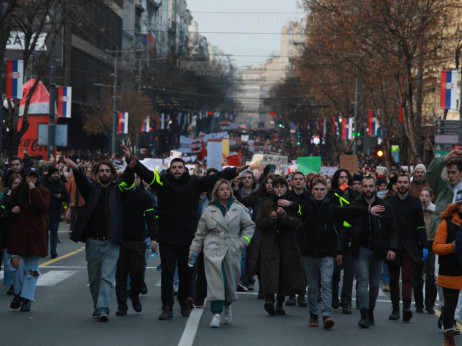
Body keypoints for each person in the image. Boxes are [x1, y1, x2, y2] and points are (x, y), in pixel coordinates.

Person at [121, 145, 248, 320]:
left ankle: (183, 300)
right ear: (170, 170)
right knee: (167, 272)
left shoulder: (195, 182)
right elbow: (146, 173)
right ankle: (166, 307)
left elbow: (214, 179)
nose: (177, 170)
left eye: (180, 167)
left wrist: (233, 171)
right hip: (166, 236)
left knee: (186, 273)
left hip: (188, 236)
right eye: (174, 167)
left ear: (185, 169)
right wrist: (130, 159)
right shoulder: (161, 181)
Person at [289, 176, 384, 329]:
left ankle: (326, 315)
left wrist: (367, 210)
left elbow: (349, 212)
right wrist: (289, 204)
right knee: (313, 287)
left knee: (326, 284)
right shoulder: (306, 207)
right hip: (309, 253)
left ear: (327, 192)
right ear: (312, 191)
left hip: (327, 253)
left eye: (322, 190)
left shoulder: (331, 208)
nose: (319, 192)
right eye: (316, 190)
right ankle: (313, 315)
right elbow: (296, 208)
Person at [64, 155, 135, 322]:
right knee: (94, 278)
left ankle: (103, 309)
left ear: (112, 173)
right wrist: (76, 169)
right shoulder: (92, 190)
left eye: (107, 171)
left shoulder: (119, 191)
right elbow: (82, 183)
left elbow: (130, 183)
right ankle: (98, 306)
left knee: (107, 277)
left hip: (111, 242)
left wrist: (131, 169)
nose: (104, 173)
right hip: (93, 242)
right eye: (101, 171)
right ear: (97, 174)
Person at [189, 179, 255, 328]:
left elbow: (249, 227)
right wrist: (194, 251)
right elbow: (200, 233)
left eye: (227, 189)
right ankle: (216, 314)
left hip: (232, 247)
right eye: (222, 189)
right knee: (216, 282)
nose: (225, 191)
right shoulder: (209, 209)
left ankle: (228, 305)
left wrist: (242, 243)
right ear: (216, 192)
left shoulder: (239, 208)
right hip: (213, 248)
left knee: (230, 281)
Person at [338, 176, 398, 328]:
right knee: (363, 280)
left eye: (371, 186)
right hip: (361, 249)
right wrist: (340, 250)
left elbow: (392, 229)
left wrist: (392, 248)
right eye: (365, 186)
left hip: (378, 250)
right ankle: (364, 314)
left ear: (376, 187)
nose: (368, 189)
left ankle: (370, 311)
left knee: (374, 284)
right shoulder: (355, 205)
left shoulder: (386, 206)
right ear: (362, 188)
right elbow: (345, 228)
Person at [256, 177, 305, 316]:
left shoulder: (293, 204)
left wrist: (284, 216)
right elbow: (259, 223)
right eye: (276, 187)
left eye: (281, 187)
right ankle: (269, 299)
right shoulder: (266, 204)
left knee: (285, 272)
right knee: (270, 272)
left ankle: (280, 302)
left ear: (286, 188)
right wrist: (270, 219)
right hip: (270, 243)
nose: (279, 190)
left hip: (287, 243)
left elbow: (298, 222)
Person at [426, 148, 462, 328]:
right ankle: (445, 308)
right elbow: (430, 172)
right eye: (448, 172)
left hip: (459, 238)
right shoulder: (442, 185)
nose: (450, 175)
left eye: (454, 172)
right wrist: (446, 158)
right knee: (439, 277)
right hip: (441, 235)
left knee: (457, 279)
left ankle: (452, 317)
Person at [385, 174, 428, 322]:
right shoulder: (389, 202)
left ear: (408, 185)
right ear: (395, 185)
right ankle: (395, 307)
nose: (402, 185)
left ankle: (406, 307)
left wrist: (424, 245)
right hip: (393, 245)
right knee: (393, 278)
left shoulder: (415, 202)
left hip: (410, 244)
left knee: (407, 276)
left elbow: (421, 225)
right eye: (400, 182)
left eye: (405, 182)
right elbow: (385, 225)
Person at [7, 167, 50, 312]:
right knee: (16, 264)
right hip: (19, 234)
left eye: (34, 177)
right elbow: (8, 208)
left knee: (31, 269)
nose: (31, 179)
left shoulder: (42, 191)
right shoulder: (17, 191)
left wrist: (34, 191)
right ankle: (19, 292)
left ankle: (27, 298)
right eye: (28, 176)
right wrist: (11, 211)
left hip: (35, 235)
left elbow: (43, 207)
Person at [115, 174, 157, 316]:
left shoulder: (145, 197)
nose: (132, 181)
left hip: (139, 239)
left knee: (137, 273)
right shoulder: (118, 194)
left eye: (134, 178)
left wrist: (153, 238)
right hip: (120, 240)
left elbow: (150, 217)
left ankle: (134, 294)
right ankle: (122, 305)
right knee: (120, 275)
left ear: (139, 180)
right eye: (128, 178)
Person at [433, 191, 462, 346]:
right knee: (450, 308)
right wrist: (451, 247)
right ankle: (448, 338)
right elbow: (436, 246)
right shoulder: (447, 222)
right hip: (450, 271)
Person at [329, 169, 359, 314]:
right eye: (341, 177)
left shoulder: (355, 195)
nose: (343, 180)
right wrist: (341, 190)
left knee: (349, 271)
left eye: (346, 177)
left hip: (350, 237)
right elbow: (332, 204)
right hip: (335, 236)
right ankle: (334, 294)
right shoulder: (332, 194)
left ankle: (346, 300)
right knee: (335, 271)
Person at [285, 171, 310, 307]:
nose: (299, 181)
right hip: (290, 233)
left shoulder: (309, 197)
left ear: (305, 182)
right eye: (296, 179)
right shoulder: (287, 197)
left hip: (305, 234)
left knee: (303, 267)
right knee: (291, 266)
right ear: (292, 182)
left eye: (301, 179)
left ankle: (301, 294)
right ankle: (291, 294)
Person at [412, 187, 437, 314]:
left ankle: (430, 303)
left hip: (431, 242)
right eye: (422, 195)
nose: (424, 198)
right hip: (418, 243)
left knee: (430, 274)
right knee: (417, 274)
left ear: (431, 197)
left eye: (427, 196)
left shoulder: (435, 210)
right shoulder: (417, 209)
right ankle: (418, 304)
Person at [234, 170, 257, 292]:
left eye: (249, 177)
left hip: (255, 227)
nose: (247, 179)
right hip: (241, 228)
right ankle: (242, 281)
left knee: (253, 255)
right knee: (242, 255)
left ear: (253, 180)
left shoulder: (258, 193)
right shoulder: (238, 193)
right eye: (245, 178)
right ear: (242, 180)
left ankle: (250, 280)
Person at [42, 166, 70, 258]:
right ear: (49, 174)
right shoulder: (43, 183)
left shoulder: (60, 184)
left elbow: (67, 197)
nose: (56, 175)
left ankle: (53, 251)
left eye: (57, 173)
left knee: (54, 231)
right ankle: (44, 249)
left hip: (56, 211)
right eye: (54, 173)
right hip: (45, 211)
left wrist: (60, 197)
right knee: (45, 231)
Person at [1, 174, 22, 296]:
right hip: (8, 231)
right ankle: (12, 285)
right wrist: (11, 211)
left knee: (21, 261)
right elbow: (2, 213)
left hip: (22, 232)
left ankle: (19, 284)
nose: (17, 186)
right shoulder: (5, 197)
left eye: (19, 183)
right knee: (9, 259)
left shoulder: (26, 196)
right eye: (15, 183)